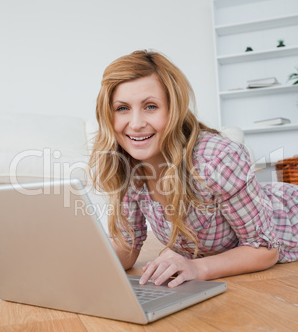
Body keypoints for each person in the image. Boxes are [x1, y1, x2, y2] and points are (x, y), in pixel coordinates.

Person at [89, 49, 298, 288]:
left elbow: (264, 249)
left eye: (150, 106)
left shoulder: (219, 158)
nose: (135, 124)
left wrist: (196, 268)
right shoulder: (128, 163)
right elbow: (128, 247)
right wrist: (81, 265)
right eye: (122, 108)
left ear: (173, 109)